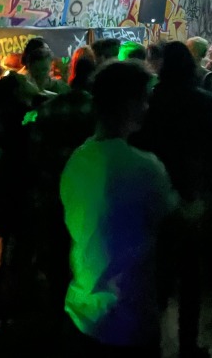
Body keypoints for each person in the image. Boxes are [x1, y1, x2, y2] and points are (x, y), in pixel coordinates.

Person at [60, 61, 177, 356]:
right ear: (128, 103)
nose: (148, 107)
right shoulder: (144, 167)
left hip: (82, 312)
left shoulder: (77, 159)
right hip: (128, 319)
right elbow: (173, 221)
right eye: (144, 98)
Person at [135, 42, 212, 358]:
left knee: (157, 275)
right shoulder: (205, 102)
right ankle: (188, 345)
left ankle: (153, 343)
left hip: (154, 196)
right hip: (193, 198)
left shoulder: (150, 102)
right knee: (191, 280)